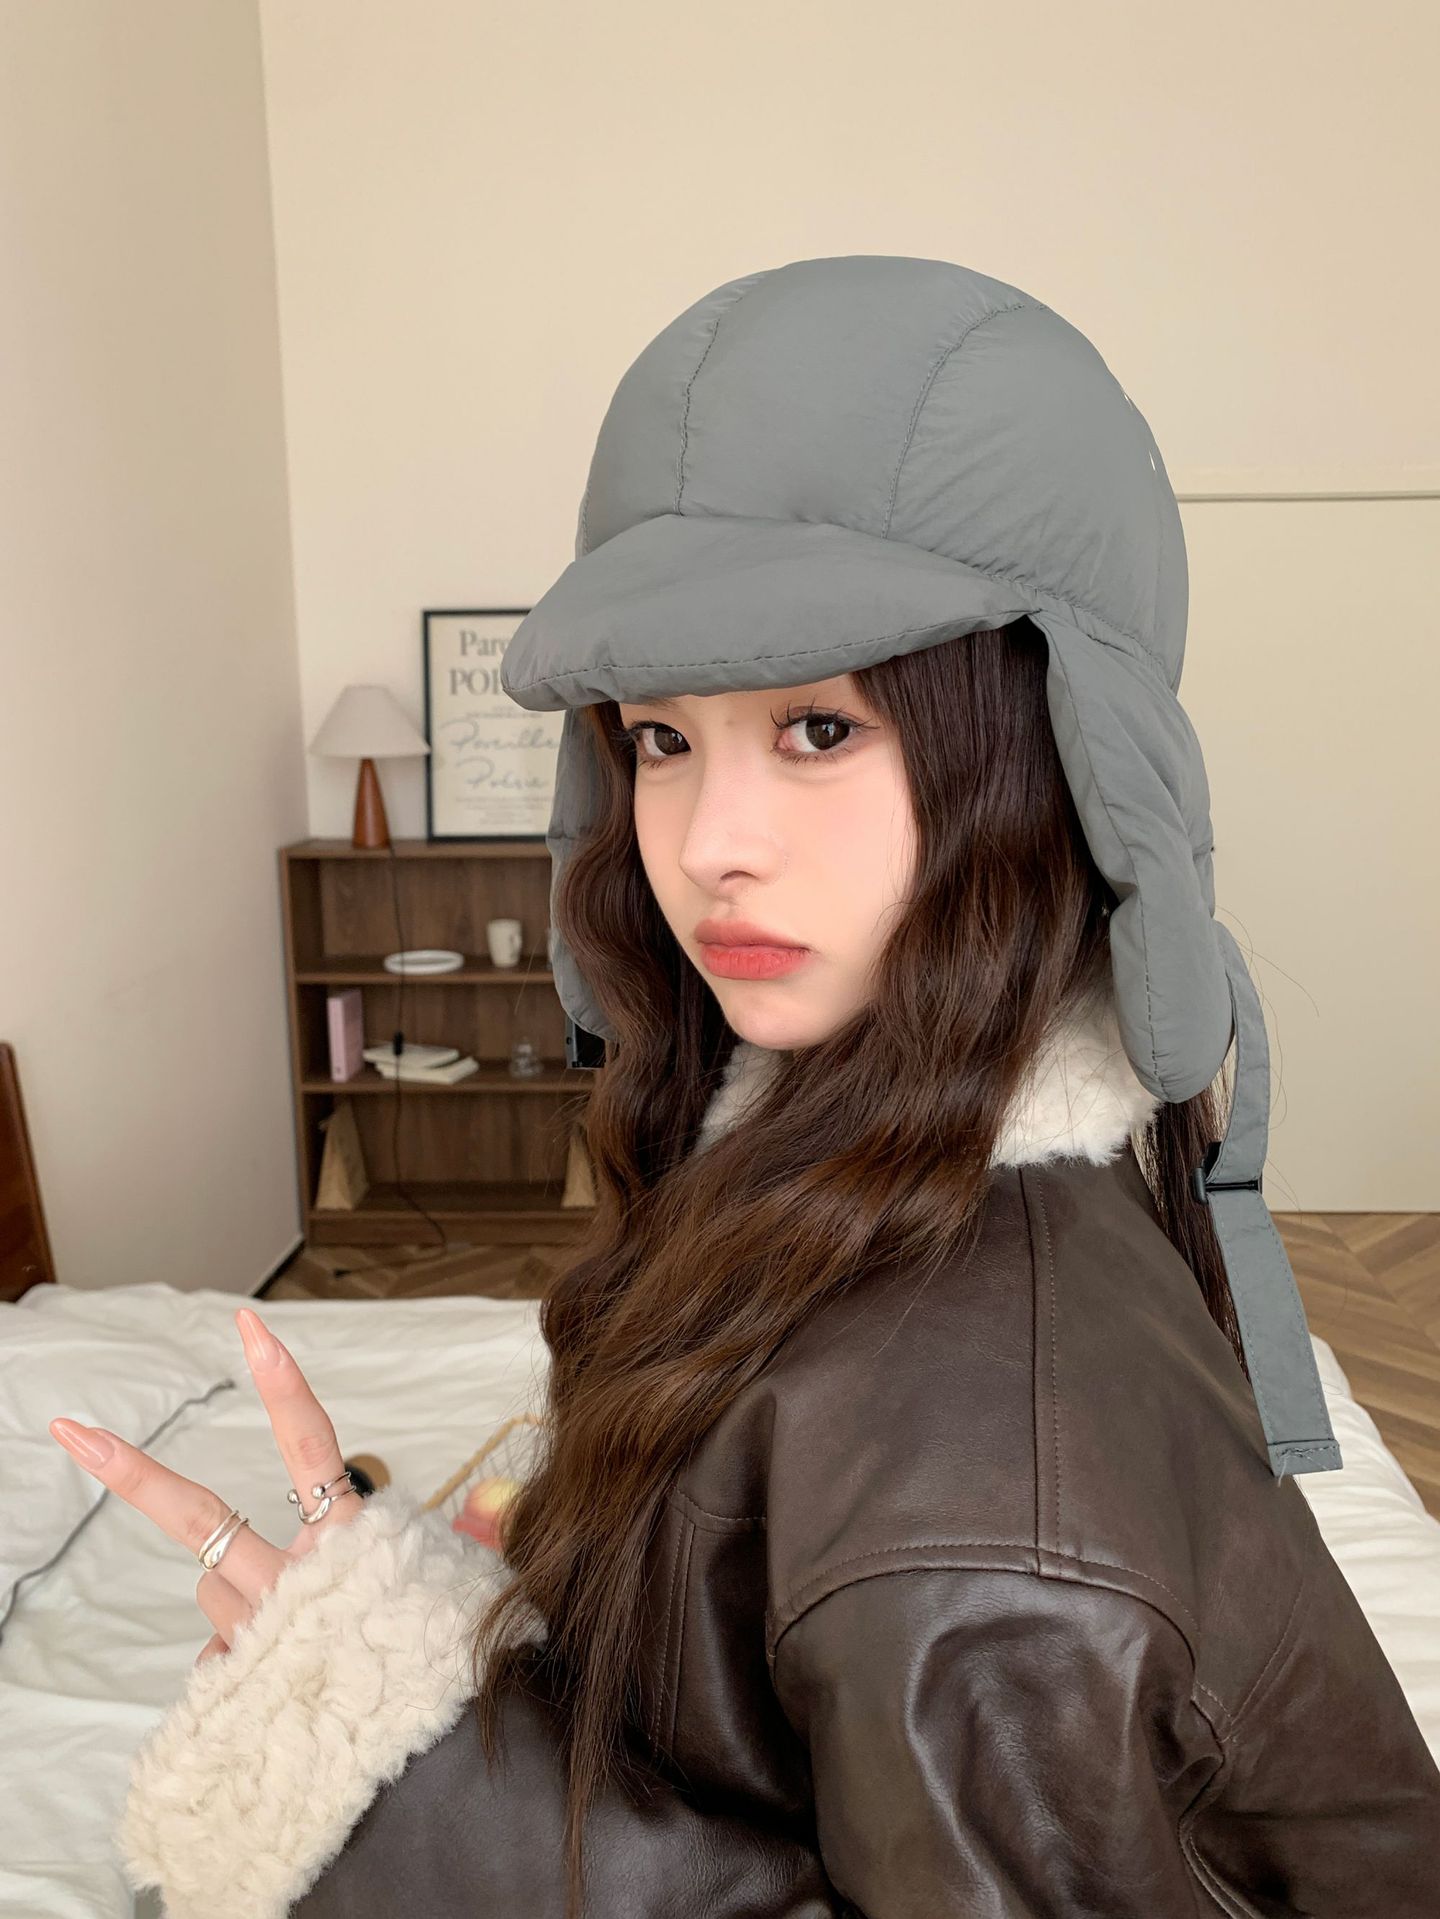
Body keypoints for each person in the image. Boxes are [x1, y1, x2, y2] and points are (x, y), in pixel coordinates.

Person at [81, 256, 1440, 1917]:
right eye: (662, 738)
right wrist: (434, 1646)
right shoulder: (846, 1135)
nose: (709, 844)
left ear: (1045, 752)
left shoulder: (980, 1510)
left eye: (818, 729)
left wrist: (382, 1777)